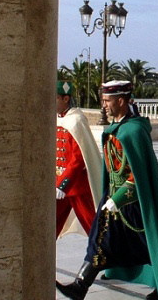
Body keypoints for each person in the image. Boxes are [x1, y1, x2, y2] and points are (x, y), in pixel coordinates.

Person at [56, 81, 158, 300]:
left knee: (147, 245)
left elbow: (137, 175)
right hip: (113, 199)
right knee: (99, 240)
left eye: (107, 101)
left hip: (134, 204)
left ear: (121, 101)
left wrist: (119, 198)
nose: (104, 105)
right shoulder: (116, 129)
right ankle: (80, 286)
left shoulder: (134, 131)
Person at [55, 81, 102, 239]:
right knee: (49, 225)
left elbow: (78, 157)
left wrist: (64, 184)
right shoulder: (57, 119)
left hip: (76, 185)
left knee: (93, 226)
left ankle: (104, 259)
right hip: (59, 183)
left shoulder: (76, 120)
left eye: (55, 98)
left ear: (65, 99)